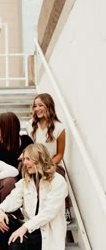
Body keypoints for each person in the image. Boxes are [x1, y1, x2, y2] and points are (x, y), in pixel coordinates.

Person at [26, 93, 71, 224]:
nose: (37, 109)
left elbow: (60, 154)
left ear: (48, 106)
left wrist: (47, 165)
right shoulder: (30, 126)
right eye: (35, 106)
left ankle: (65, 209)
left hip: (52, 163)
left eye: (40, 105)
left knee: (59, 175)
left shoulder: (59, 128)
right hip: (33, 163)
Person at [0, 112, 33, 201]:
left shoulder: (25, 140)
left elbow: (35, 157)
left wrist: (25, 154)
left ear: (10, 126)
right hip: (3, 179)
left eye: (0, 125)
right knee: (10, 181)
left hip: (24, 177)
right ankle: (5, 212)